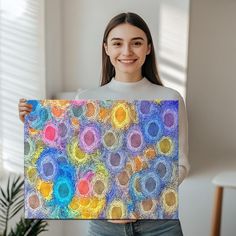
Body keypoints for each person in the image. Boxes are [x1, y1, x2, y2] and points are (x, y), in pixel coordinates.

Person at [19, 12, 190, 236]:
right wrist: (32, 122)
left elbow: (182, 165)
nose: (126, 51)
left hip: (158, 224)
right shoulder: (86, 100)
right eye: (117, 43)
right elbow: (73, 165)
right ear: (106, 48)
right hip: (104, 226)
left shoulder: (170, 98)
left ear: (148, 47)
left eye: (136, 43)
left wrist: (144, 200)